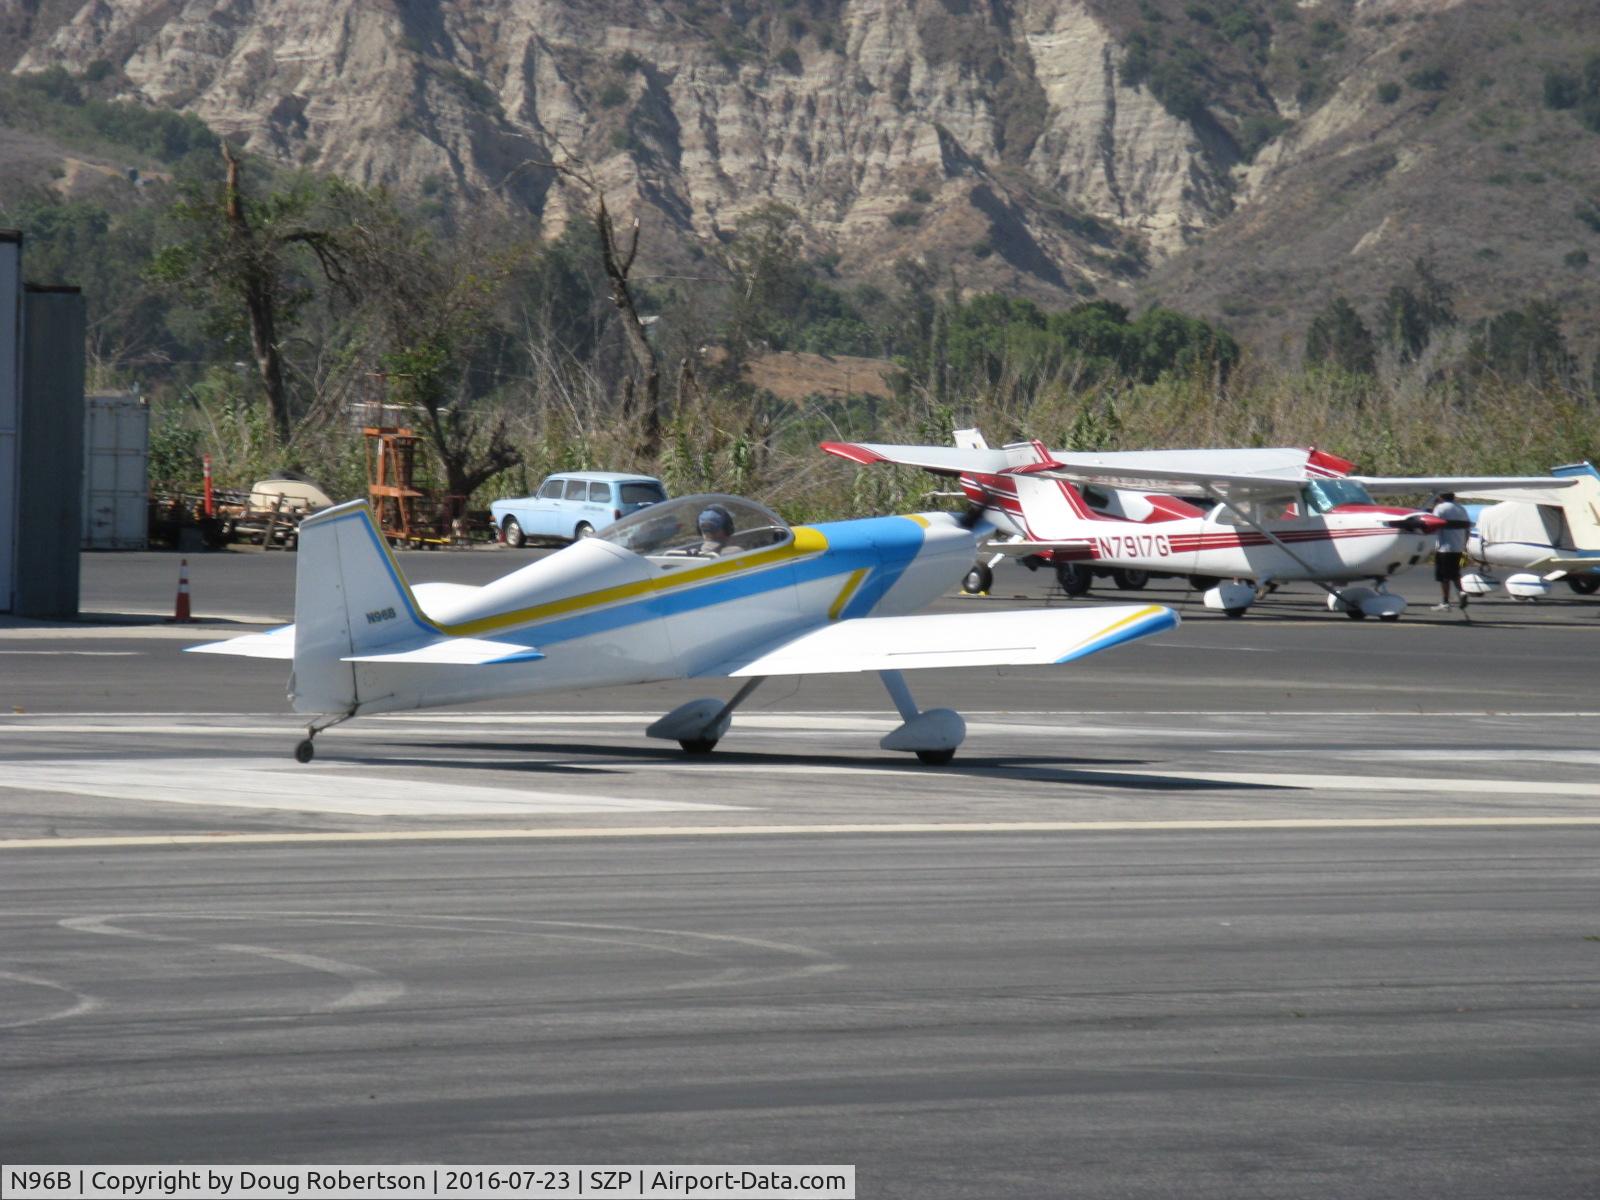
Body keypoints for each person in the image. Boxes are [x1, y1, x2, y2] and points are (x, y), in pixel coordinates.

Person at [1430, 492, 1472, 611]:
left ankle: (1445, 602)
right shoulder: (1461, 509)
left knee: (1444, 577)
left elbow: (1432, 523)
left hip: (1444, 548)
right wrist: (1464, 546)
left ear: (1441, 497)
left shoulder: (1440, 508)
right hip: (1459, 548)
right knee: (1455, 574)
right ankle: (1462, 592)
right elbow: (1467, 529)